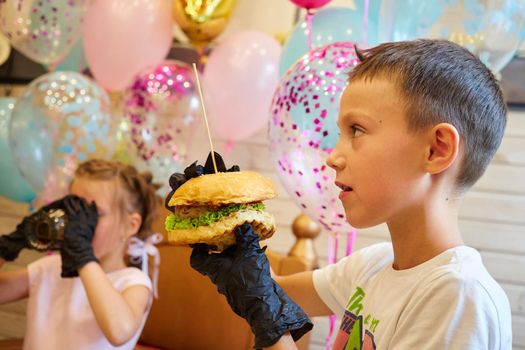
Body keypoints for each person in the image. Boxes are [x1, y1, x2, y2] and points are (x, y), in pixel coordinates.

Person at [188, 39, 512, 349]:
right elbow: (273, 294)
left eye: (356, 130)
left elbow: (269, 310)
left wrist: (269, 325)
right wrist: (233, 237)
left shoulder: (456, 296)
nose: (333, 157)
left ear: (435, 149)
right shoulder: (372, 266)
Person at [0, 159, 162, 349]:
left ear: (130, 225)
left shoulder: (133, 282)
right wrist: (10, 243)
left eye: (93, 213)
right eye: (74, 210)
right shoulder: (52, 267)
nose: (78, 224)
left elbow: (119, 331)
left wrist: (82, 255)